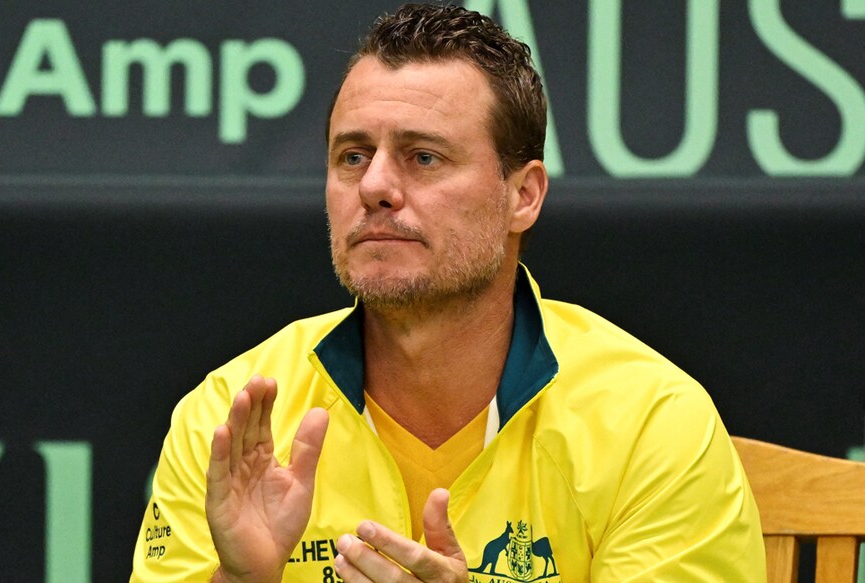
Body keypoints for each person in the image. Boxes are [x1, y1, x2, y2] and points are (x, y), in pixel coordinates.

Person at [131, 4, 765, 582]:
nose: (375, 185)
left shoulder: (650, 424)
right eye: (352, 156)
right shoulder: (234, 420)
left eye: (424, 157)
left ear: (523, 195)